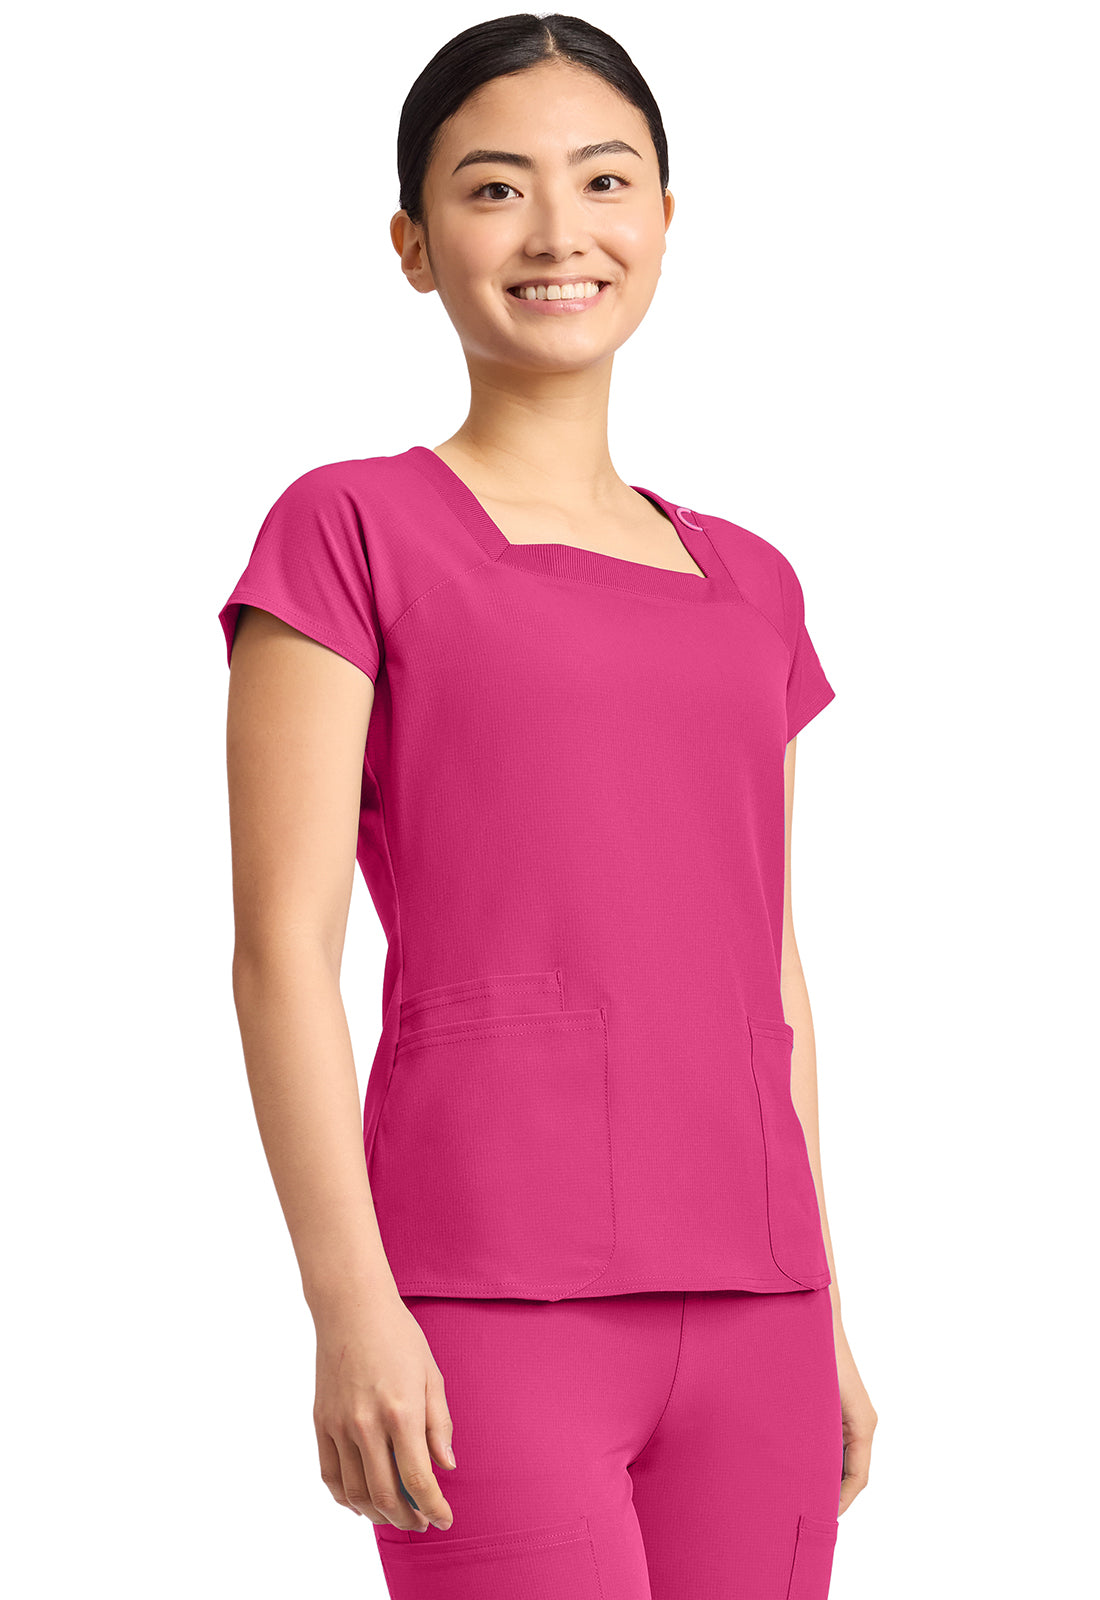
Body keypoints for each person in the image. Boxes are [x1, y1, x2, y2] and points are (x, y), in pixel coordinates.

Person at [217, 14, 877, 1598]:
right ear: (414, 244)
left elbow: (770, 969)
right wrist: (349, 1305)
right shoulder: (350, 529)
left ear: (666, 217)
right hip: (486, 1301)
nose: (559, 231)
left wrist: (833, 1313)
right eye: (495, 188)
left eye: (605, 180)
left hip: (763, 1307)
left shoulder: (753, 580)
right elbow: (282, 950)